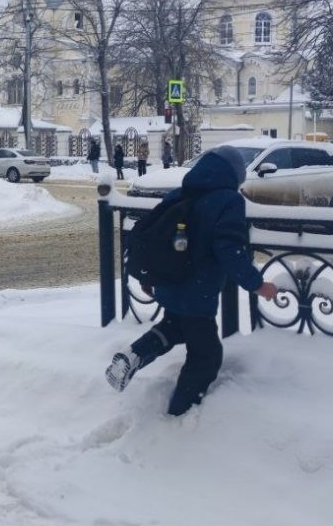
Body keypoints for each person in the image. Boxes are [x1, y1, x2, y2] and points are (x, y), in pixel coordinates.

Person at [105, 145, 278, 415]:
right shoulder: (229, 201)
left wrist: (148, 277)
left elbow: (154, 238)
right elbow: (230, 249)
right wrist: (257, 284)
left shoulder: (180, 193)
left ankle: (132, 356)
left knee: (173, 327)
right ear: (233, 174)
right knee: (207, 356)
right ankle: (179, 414)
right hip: (197, 292)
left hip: (169, 282)